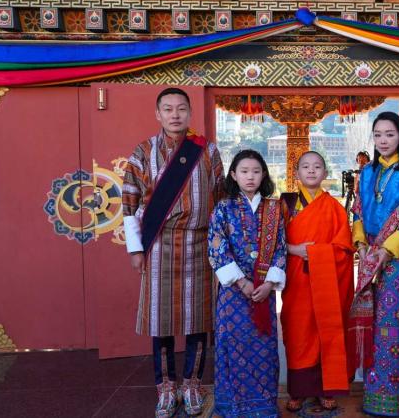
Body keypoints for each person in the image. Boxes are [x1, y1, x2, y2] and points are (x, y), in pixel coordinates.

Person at [122, 87, 224, 418]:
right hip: (159, 245)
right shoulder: (143, 151)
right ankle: (165, 388)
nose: (175, 114)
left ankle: (192, 384)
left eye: (181, 108)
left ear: (190, 112)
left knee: (199, 319)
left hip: (200, 244)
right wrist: (136, 250)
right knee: (161, 321)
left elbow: (221, 199)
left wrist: (222, 245)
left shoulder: (206, 151)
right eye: (168, 109)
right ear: (158, 114)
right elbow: (129, 203)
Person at [349, 112, 399, 417]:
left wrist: (386, 251)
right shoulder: (366, 172)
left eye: (389, 134)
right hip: (370, 256)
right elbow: (357, 212)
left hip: (398, 261)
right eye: (378, 134)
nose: (383, 140)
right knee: (371, 323)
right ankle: (373, 395)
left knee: (394, 326)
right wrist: (363, 245)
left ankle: (396, 398)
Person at [208, 149, 286, 418]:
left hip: (264, 291)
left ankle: (263, 405)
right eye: (244, 171)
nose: (250, 177)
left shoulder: (274, 208)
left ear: (263, 174)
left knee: (263, 348)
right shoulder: (223, 208)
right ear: (233, 175)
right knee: (233, 343)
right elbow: (217, 247)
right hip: (233, 292)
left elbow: (280, 249)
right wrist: (241, 282)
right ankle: (234, 405)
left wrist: (268, 284)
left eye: (255, 171)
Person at [280, 151, 355, 413]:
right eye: (305, 167)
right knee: (298, 332)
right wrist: (294, 249)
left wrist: (314, 252)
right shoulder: (285, 205)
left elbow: (345, 248)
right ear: (296, 173)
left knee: (327, 330)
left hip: (327, 283)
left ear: (325, 173)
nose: (311, 171)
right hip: (297, 280)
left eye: (317, 167)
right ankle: (299, 391)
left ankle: (326, 389)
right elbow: (274, 243)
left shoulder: (334, 207)